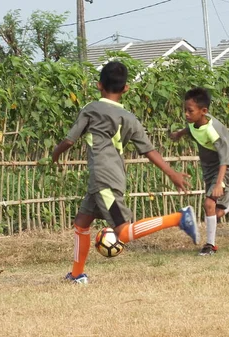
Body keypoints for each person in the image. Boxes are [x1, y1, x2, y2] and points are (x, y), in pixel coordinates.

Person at [52, 61, 199, 284]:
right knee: (82, 222)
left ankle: (178, 218)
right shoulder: (130, 118)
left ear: (98, 85)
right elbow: (149, 150)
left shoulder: (90, 109)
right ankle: (76, 275)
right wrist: (171, 172)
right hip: (106, 179)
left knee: (122, 233)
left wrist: (54, 154)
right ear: (126, 89)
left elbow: (70, 140)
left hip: (104, 179)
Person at [170, 87, 229, 256]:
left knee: (209, 205)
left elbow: (226, 158)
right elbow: (191, 129)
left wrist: (218, 183)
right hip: (209, 168)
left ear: (203, 111)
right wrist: (179, 134)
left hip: (224, 167)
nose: (186, 114)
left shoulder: (212, 129)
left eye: (190, 111)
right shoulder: (194, 123)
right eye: (185, 110)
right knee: (217, 211)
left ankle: (210, 245)